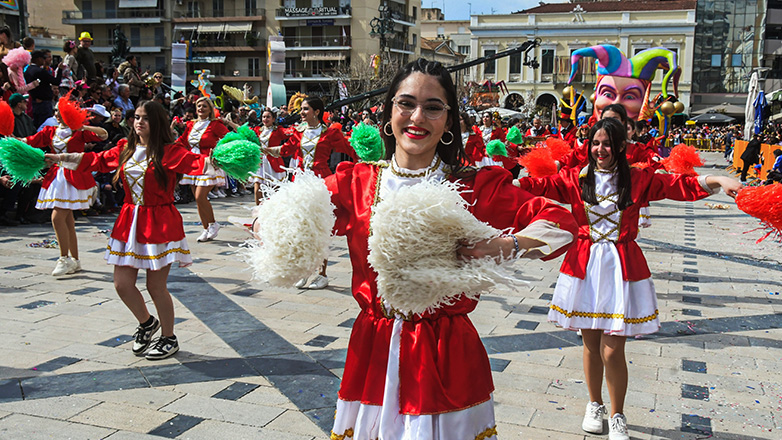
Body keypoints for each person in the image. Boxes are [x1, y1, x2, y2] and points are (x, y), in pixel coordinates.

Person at [264, 59, 576, 440]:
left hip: (445, 357)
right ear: (388, 112)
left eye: (432, 107)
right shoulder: (356, 182)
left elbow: (563, 224)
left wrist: (504, 245)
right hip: (373, 353)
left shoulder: (472, 187)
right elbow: (282, 220)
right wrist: (274, 223)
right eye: (406, 103)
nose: (417, 117)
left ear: (448, 121)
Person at [517, 117, 742, 440]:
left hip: (621, 267)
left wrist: (717, 179)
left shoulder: (638, 179)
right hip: (584, 265)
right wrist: (502, 181)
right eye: (595, 143)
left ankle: (617, 414)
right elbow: (536, 186)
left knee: (612, 350)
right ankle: (594, 405)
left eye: (607, 144)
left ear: (621, 146)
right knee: (590, 345)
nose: (600, 150)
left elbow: (678, 186)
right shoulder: (575, 177)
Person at [44, 101, 219, 360]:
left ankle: (169, 337)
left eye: (145, 118)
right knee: (122, 284)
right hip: (129, 220)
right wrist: (58, 158)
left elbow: (200, 163)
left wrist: (224, 157)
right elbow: (97, 160)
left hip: (160, 221)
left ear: (157, 122)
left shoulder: (171, 152)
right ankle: (147, 323)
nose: (139, 122)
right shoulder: (125, 148)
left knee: (155, 286)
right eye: (136, 117)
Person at [270, 96, 357, 289]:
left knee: (320, 228)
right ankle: (305, 271)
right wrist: (264, 149)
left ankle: (322, 274)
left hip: (321, 182)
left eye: (305, 109)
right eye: (302, 109)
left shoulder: (329, 133)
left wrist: (366, 158)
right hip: (300, 182)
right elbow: (286, 150)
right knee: (301, 228)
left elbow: (349, 148)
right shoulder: (299, 132)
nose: (301, 112)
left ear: (317, 111)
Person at [24, 107, 109, 276]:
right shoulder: (50, 131)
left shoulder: (79, 131)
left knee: (57, 217)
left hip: (74, 174)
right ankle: (74, 260)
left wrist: (83, 127)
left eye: (61, 111)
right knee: (67, 219)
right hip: (57, 176)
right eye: (55, 110)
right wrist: (12, 140)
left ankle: (64, 258)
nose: (57, 114)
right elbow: (29, 140)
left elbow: (103, 134)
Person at [176, 97, 229, 242]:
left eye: (204, 106)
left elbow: (229, 139)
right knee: (198, 199)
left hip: (208, 164)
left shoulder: (215, 124)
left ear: (210, 109)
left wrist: (218, 152)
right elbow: (182, 141)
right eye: (199, 106)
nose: (201, 108)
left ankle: (213, 224)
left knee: (200, 196)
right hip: (193, 163)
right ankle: (206, 228)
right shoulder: (191, 125)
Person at [248, 108, 288, 204]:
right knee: (257, 186)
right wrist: (229, 122)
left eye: (268, 117)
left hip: (274, 160)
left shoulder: (278, 130)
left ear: (273, 119)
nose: (265, 119)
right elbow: (243, 131)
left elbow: (292, 134)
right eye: (263, 117)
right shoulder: (258, 130)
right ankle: (258, 209)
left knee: (276, 189)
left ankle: (276, 208)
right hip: (260, 161)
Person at [25, 50, 63, 128]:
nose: (44, 60)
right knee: (45, 126)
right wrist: (60, 69)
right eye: (43, 58)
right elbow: (56, 81)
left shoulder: (28, 70)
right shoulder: (40, 71)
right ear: (38, 59)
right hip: (44, 104)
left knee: (37, 124)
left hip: (34, 101)